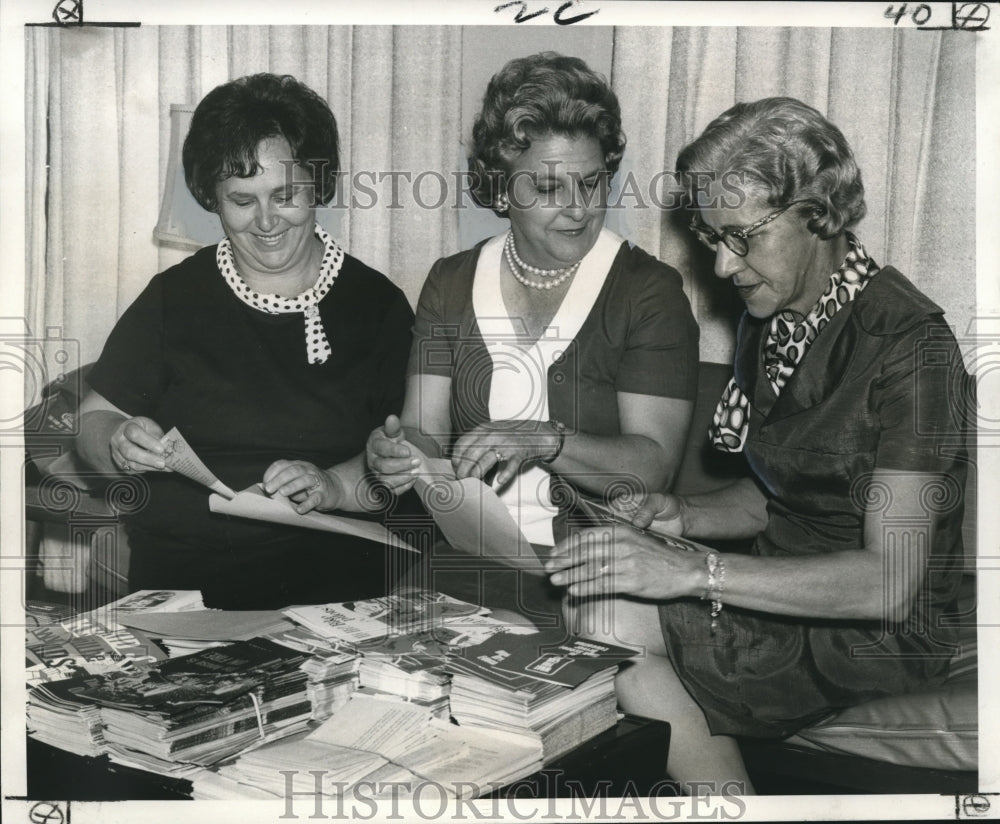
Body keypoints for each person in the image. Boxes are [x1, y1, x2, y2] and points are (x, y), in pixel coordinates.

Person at [546, 97, 971, 793]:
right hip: (786, 591)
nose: (720, 264)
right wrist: (680, 516)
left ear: (818, 210)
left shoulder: (913, 348)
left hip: (878, 630)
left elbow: (892, 583)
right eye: (712, 237)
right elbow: (780, 493)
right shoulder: (774, 317)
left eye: (740, 236)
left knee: (608, 615)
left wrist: (690, 573)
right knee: (600, 602)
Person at [366, 53, 699, 625]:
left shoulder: (649, 291)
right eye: (548, 187)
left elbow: (651, 468)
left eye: (591, 183)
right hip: (466, 560)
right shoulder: (449, 281)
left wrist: (546, 439)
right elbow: (424, 428)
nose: (578, 209)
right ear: (500, 190)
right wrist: (397, 457)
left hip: (598, 578)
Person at [76, 73, 415, 610]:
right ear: (213, 198)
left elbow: (402, 464)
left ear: (318, 186)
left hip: (332, 589)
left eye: (286, 195)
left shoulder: (377, 306)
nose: (266, 222)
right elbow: (94, 421)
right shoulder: (174, 297)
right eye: (241, 200)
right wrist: (118, 439)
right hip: (185, 585)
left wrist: (330, 481)